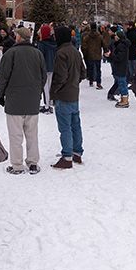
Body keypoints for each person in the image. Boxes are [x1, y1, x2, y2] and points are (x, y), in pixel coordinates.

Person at [0, 27, 46, 175]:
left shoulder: (10, 53)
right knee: (32, 134)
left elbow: (3, 76)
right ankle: (32, 162)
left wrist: (0, 94)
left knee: (15, 135)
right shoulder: (38, 53)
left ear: (19, 37)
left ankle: (17, 165)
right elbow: (43, 76)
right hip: (32, 100)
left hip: (14, 101)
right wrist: (37, 91)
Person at [50, 26, 86, 169]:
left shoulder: (61, 53)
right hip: (74, 94)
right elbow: (83, 73)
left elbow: (61, 76)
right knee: (75, 125)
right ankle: (77, 152)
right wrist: (74, 82)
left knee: (65, 127)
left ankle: (67, 157)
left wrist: (54, 91)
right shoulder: (75, 51)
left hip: (63, 95)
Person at [36, 24, 57, 114]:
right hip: (53, 66)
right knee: (50, 85)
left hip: (44, 68)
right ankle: (51, 101)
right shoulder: (54, 43)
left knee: (45, 87)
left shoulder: (42, 44)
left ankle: (47, 105)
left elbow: (40, 57)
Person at [107, 28, 130, 107]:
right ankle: (123, 99)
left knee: (122, 84)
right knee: (120, 83)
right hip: (120, 67)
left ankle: (125, 101)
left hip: (121, 68)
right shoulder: (119, 44)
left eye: (116, 35)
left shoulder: (121, 45)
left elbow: (119, 58)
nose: (115, 37)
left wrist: (110, 55)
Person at [80, 23, 105, 90]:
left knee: (90, 68)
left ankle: (91, 81)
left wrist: (85, 53)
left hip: (89, 55)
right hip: (98, 55)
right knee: (98, 69)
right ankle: (98, 83)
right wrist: (105, 51)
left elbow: (84, 46)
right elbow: (104, 44)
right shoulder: (99, 36)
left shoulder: (87, 36)